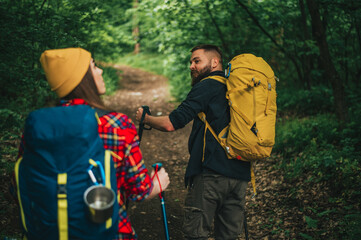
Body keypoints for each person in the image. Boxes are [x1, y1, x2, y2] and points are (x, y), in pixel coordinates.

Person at [15, 47, 170, 240]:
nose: (101, 71)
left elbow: (25, 183)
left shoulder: (37, 127)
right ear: (82, 78)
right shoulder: (117, 124)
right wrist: (158, 182)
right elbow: (139, 191)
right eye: (94, 66)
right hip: (109, 233)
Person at [136, 44, 251, 239]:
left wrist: (145, 119)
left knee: (196, 234)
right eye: (191, 62)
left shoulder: (207, 85)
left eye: (197, 61)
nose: (192, 66)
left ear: (215, 62)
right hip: (240, 174)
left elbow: (171, 123)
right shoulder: (237, 88)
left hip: (210, 174)